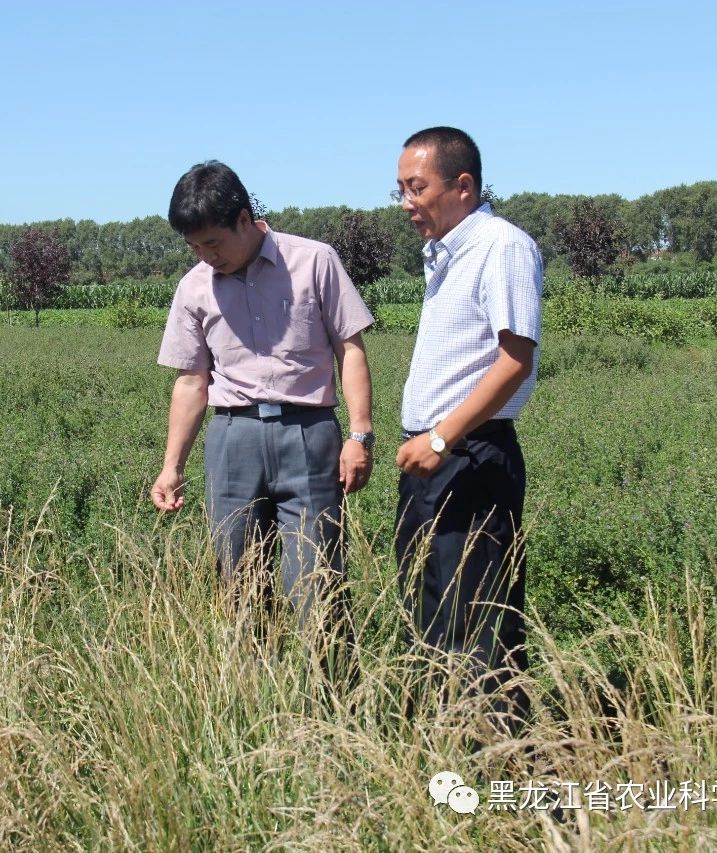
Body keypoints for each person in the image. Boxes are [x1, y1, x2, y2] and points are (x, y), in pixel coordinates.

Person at [151, 160, 375, 675]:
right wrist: (172, 465)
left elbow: (351, 349)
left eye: (214, 243)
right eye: (195, 248)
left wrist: (359, 434)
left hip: (309, 434)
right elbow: (190, 382)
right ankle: (254, 701)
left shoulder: (315, 262)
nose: (207, 257)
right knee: (239, 581)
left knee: (318, 586)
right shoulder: (194, 288)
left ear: (245, 218)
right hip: (232, 439)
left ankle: (333, 704)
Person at [391, 127, 543, 728]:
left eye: (416, 187)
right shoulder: (446, 254)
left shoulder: (500, 245)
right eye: (400, 189)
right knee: (431, 614)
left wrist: (440, 437)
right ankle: (443, 758)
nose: (407, 202)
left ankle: (501, 770)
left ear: (463, 185)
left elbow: (515, 360)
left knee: (478, 623)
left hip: (470, 456)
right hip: (435, 455)